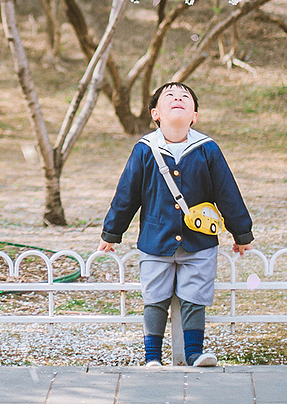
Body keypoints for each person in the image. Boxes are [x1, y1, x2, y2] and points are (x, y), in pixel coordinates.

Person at [98, 81, 254, 367]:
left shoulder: (207, 149)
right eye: (170, 96)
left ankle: (194, 353)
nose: (178, 99)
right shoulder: (145, 149)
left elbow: (227, 192)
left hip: (199, 242)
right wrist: (112, 231)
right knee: (155, 296)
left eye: (185, 97)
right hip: (156, 240)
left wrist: (241, 232)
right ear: (155, 112)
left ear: (194, 115)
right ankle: (152, 357)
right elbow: (126, 194)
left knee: (195, 296)